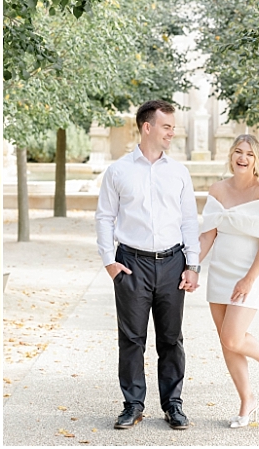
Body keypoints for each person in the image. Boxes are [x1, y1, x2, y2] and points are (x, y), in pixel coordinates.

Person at [95, 99, 201, 431]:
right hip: (131, 264)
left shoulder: (178, 172)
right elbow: (104, 217)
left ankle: (173, 405)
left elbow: (189, 221)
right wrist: (110, 263)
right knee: (131, 340)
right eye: (167, 126)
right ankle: (133, 405)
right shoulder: (118, 171)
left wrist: (193, 264)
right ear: (147, 127)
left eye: (173, 127)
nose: (172, 132)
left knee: (171, 338)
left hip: (172, 263)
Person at [198, 134, 259, 428]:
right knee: (226, 342)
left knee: (233, 336)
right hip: (220, 271)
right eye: (237, 152)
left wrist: (249, 279)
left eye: (248, 153)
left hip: (250, 272)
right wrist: (192, 267)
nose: (242, 158)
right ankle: (247, 399)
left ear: (257, 160)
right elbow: (208, 234)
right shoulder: (218, 189)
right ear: (231, 156)